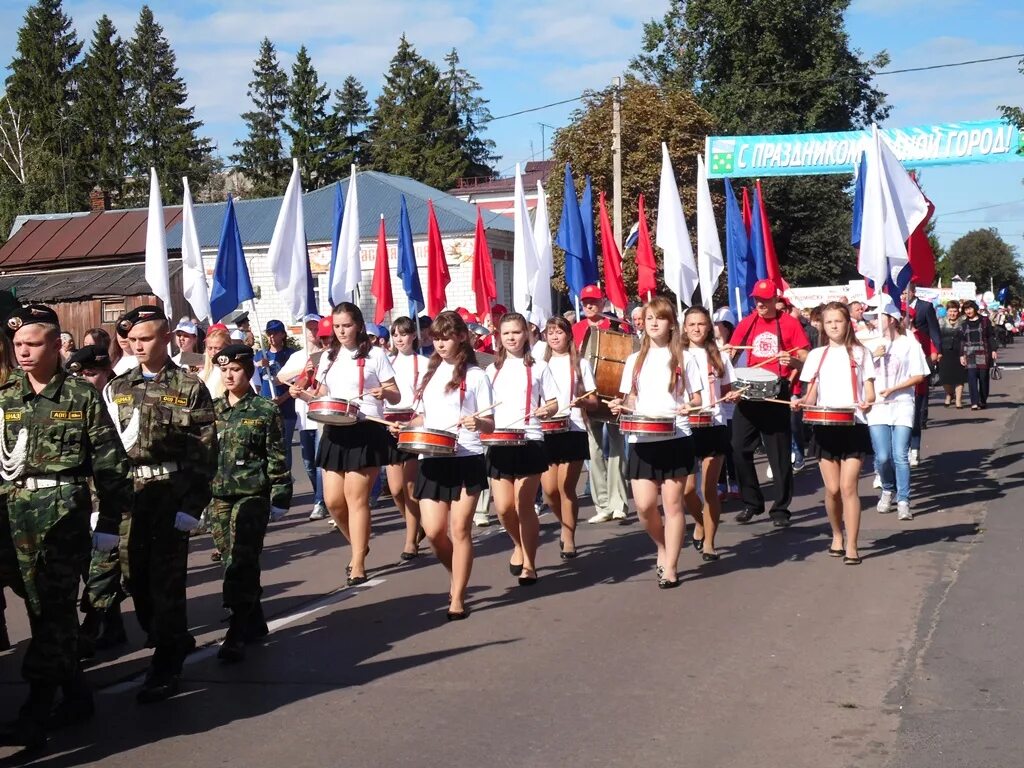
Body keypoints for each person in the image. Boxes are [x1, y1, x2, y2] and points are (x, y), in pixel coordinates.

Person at [0, 305, 131, 748]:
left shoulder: (80, 396)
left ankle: (35, 711)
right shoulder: (6, 399)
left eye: (33, 344)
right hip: (13, 520)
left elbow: (110, 464)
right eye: (17, 344)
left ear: (57, 346)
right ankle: (76, 695)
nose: (23, 352)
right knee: (41, 614)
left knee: (53, 613)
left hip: (61, 517)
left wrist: (109, 520)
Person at [106, 305, 218, 703]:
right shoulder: (119, 388)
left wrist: (193, 504)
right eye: (132, 339)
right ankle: (168, 635)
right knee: (134, 579)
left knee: (165, 580)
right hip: (130, 498)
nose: (138, 346)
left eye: (147, 338)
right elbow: (109, 449)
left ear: (167, 337)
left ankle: (166, 662)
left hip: (170, 491)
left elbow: (204, 450)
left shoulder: (188, 387)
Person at [289, 303, 400, 585]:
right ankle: (359, 544)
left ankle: (358, 563)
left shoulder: (376, 355)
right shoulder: (328, 356)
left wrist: (383, 391)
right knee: (333, 502)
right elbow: (323, 394)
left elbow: (395, 394)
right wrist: (302, 394)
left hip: (366, 429)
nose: (341, 331)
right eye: (337, 327)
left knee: (356, 498)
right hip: (336, 429)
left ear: (359, 325)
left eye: (346, 326)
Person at [609, 296, 703, 589]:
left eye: (659, 318)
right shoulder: (633, 360)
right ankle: (662, 545)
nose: (653, 323)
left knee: (673, 505)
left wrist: (691, 407)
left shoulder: (686, 358)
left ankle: (671, 566)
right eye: (649, 318)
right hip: (642, 438)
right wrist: (619, 405)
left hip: (676, 437)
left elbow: (698, 398)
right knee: (645, 507)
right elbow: (630, 398)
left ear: (671, 324)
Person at [410, 311, 494, 619]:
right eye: (436, 338)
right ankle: (457, 574)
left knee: (460, 530)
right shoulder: (430, 375)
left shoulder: (476, 375)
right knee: (433, 532)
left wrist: (477, 420)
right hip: (432, 457)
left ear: (461, 337)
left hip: (465, 456)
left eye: (446, 337)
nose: (441, 343)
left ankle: (457, 596)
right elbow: (424, 417)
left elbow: (489, 423)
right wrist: (407, 425)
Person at [210, 344, 292, 662]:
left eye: (236, 369)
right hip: (219, 496)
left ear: (248, 370)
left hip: (252, 496)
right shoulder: (213, 410)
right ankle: (254, 619)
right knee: (229, 560)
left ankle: (236, 629)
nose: (229, 375)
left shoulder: (264, 410)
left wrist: (280, 495)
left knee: (241, 561)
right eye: (224, 370)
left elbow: (276, 455)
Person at [725, 279, 810, 527]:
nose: (760, 304)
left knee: (779, 453)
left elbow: (806, 358)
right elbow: (733, 352)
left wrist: (792, 360)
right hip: (750, 391)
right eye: (757, 300)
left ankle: (781, 509)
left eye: (765, 300)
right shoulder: (748, 322)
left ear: (776, 300)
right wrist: (728, 354)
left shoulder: (789, 323)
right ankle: (752, 502)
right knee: (738, 447)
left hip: (776, 391)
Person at [795, 302, 875, 564]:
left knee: (847, 486)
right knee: (831, 489)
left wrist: (868, 401)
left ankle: (852, 545)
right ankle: (837, 534)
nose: (833, 326)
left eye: (838, 321)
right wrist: (801, 402)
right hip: (825, 427)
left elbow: (870, 391)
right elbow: (811, 393)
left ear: (847, 322)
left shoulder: (862, 354)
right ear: (823, 325)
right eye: (829, 322)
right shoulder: (817, 355)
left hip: (854, 425)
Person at [486, 312, 557, 586]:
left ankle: (530, 562)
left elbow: (552, 403)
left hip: (530, 440)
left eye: (516, 332)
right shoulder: (491, 370)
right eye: (506, 334)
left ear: (526, 334)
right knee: (503, 509)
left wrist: (545, 410)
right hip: (498, 442)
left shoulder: (539, 368)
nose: (512, 338)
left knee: (522, 504)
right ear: (499, 337)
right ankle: (517, 544)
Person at [67, 346, 129, 658]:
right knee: (90, 564)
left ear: (106, 371)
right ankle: (107, 624)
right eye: (79, 374)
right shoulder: (76, 401)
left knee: (107, 564)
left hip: (120, 491)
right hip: (86, 492)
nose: (85, 380)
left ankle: (94, 626)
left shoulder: (121, 399)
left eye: (91, 374)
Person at [864, 295, 929, 521]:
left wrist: (894, 388)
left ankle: (903, 500)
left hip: (902, 404)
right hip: (877, 406)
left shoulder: (909, 343)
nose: (873, 320)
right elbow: (858, 372)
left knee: (900, 455)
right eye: (871, 317)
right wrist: (872, 356)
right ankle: (887, 489)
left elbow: (919, 376)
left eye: (877, 316)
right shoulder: (869, 344)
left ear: (891, 318)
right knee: (882, 457)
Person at [680, 306, 736, 562]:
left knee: (709, 488)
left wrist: (733, 397)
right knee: (688, 490)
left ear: (709, 327)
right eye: (691, 324)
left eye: (701, 324)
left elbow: (729, 391)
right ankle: (700, 523)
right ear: (684, 328)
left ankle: (711, 542)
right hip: (685, 427)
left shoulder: (719, 357)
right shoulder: (677, 356)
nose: (696, 329)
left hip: (714, 425)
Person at [541, 317, 598, 559]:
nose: (555, 337)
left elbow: (595, 401)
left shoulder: (580, 364)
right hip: (546, 431)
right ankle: (564, 523)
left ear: (568, 336)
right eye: (551, 332)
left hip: (573, 429)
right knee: (549, 492)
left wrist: (583, 400)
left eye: (560, 332)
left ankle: (568, 536)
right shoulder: (538, 365)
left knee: (565, 487)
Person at [573, 284, 630, 524]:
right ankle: (603, 504)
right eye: (586, 302)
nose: (589, 306)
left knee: (617, 448)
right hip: (588, 395)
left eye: (594, 301)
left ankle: (619, 503)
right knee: (594, 451)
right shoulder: (576, 329)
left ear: (603, 302)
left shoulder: (617, 326)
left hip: (613, 393)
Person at [386, 316, 428, 560]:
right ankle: (415, 523)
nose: (399, 339)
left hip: (412, 424)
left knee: (410, 486)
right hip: (389, 424)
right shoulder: (387, 361)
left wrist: (411, 422)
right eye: (395, 334)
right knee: (394, 489)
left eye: (404, 334)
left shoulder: (422, 363)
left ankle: (410, 539)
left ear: (414, 336)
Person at [902, 283, 940, 466]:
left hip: (919, 370)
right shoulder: (894, 335)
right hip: (900, 378)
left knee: (916, 413)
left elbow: (933, 331)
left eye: (906, 291)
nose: (903, 294)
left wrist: (936, 351)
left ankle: (914, 449)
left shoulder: (925, 307)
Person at [254, 320, 297, 472]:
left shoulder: (291, 355)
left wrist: (282, 399)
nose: (271, 337)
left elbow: (297, 383)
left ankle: (285, 479)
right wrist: (258, 365)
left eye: (275, 333)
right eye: (269, 333)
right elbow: (253, 382)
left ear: (283, 334)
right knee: (266, 447)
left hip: (286, 409)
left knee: (284, 447)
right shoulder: (260, 355)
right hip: (265, 409)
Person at [299, 316, 331, 521]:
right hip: (321, 416)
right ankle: (323, 502)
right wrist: (301, 384)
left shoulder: (355, 357)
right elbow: (302, 385)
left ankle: (324, 502)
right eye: (324, 339)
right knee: (316, 464)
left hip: (346, 418)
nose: (327, 343)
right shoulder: (317, 358)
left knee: (325, 466)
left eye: (330, 338)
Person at [958, 299, 998, 410]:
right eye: (966, 309)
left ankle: (983, 400)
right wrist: (961, 355)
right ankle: (974, 402)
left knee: (983, 378)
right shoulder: (964, 324)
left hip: (983, 353)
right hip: (969, 353)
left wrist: (994, 349)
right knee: (971, 379)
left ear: (975, 308)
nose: (968, 311)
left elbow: (990, 336)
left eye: (970, 308)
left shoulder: (985, 321)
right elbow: (962, 340)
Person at [938, 301, 966, 408]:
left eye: (955, 311)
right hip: (944, 352)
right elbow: (936, 338)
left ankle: (958, 400)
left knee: (959, 377)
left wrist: (964, 353)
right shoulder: (941, 322)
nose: (953, 313)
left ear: (958, 311)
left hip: (959, 353)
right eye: (950, 311)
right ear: (947, 311)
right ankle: (949, 394)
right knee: (944, 377)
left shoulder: (963, 322)